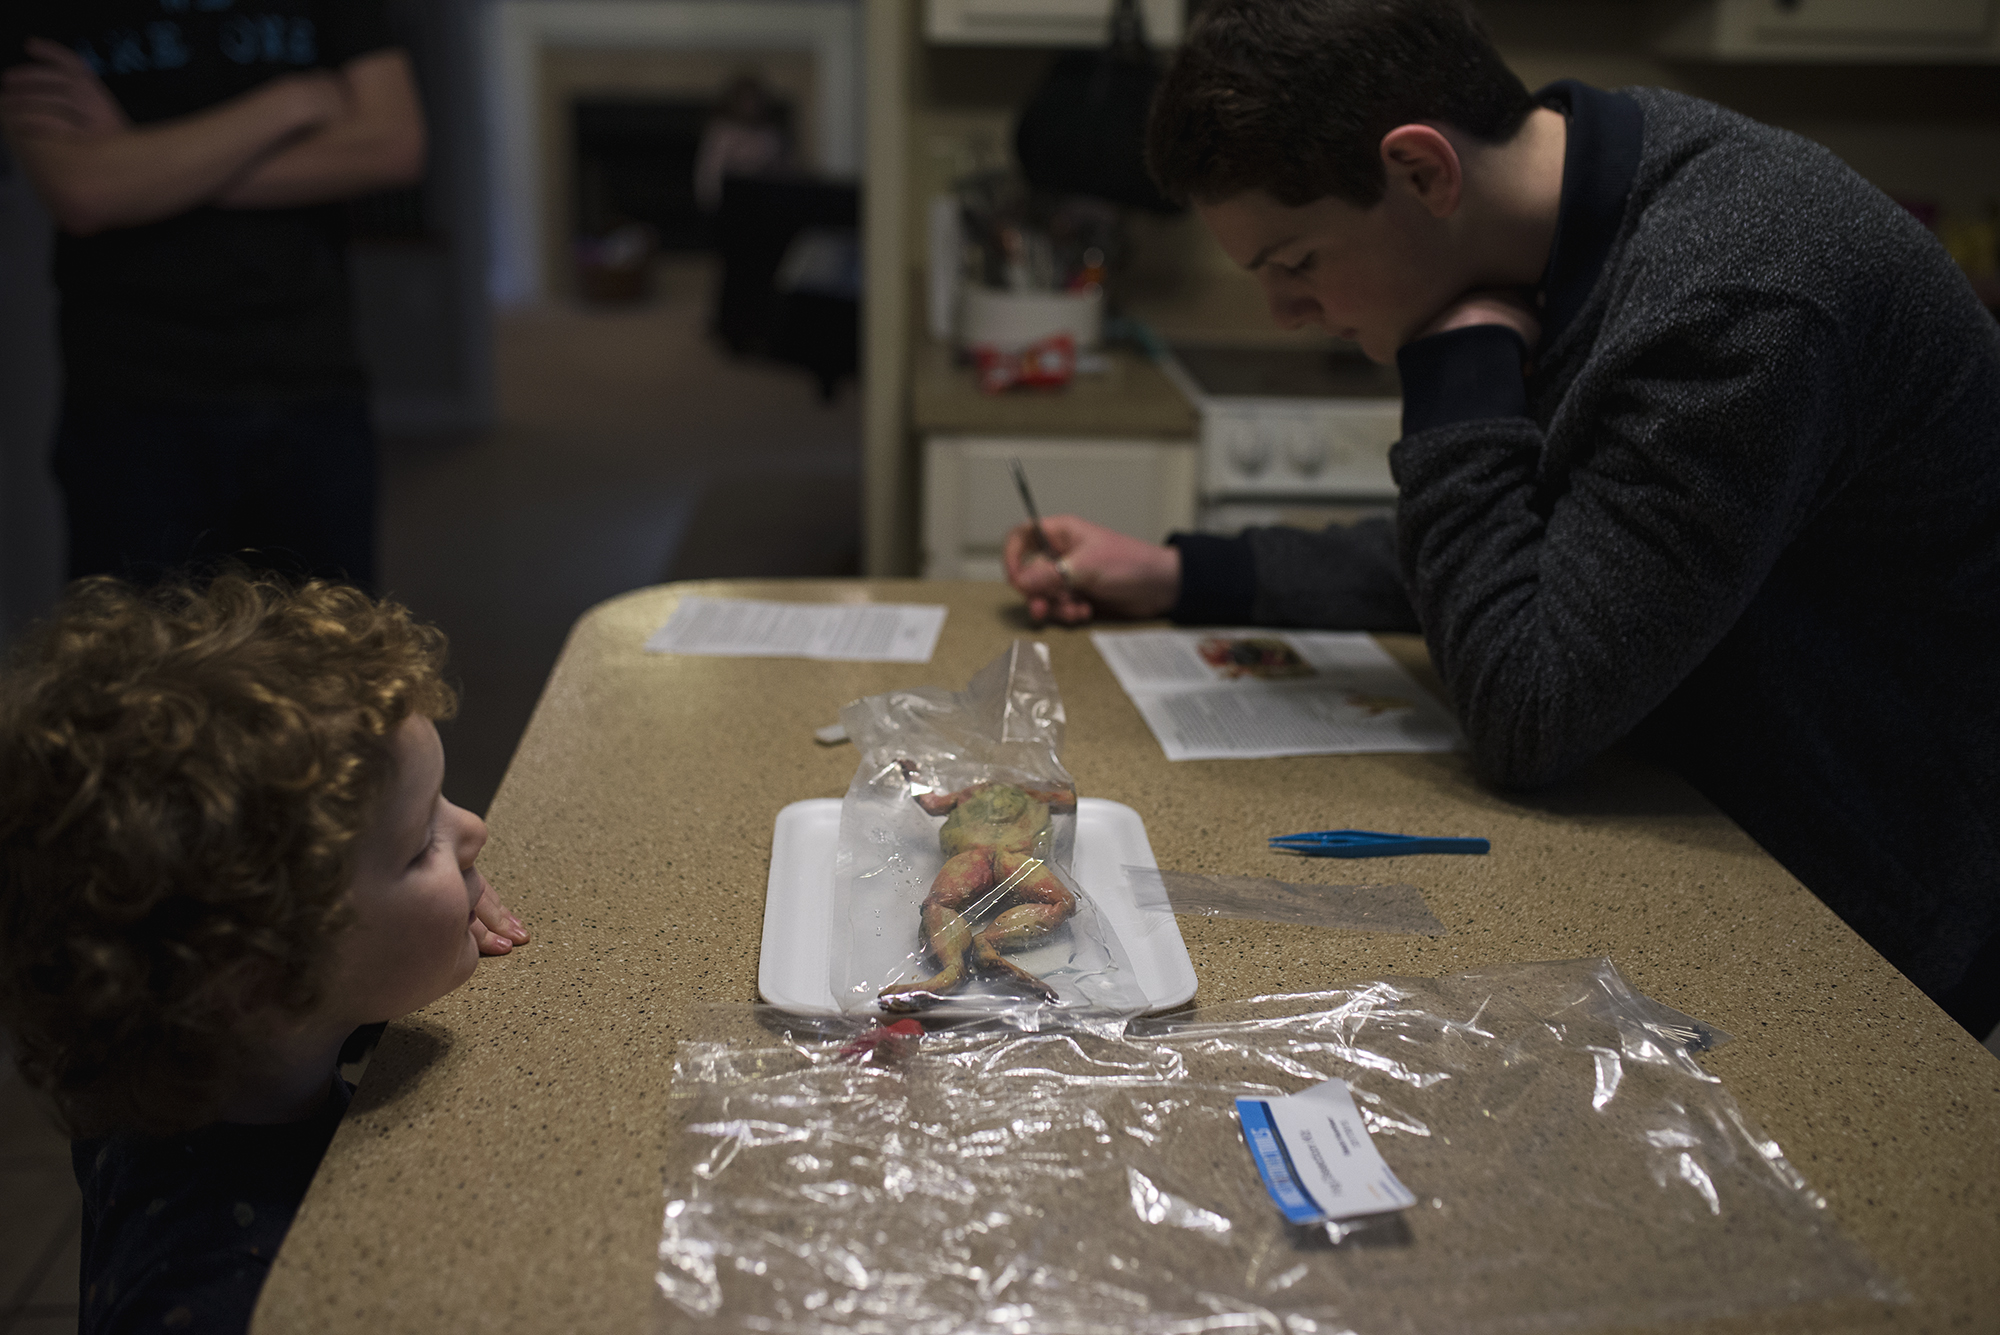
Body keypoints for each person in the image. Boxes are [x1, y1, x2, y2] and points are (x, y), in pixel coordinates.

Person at [1005, 0, 2000, 1038]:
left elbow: (1530, 708)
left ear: (1423, 172)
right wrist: (1182, 574)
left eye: (1294, 263)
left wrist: (1456, 377)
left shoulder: (1734, 299)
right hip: (1703, 811)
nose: (1286, 315)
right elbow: (1543, 564)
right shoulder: (1580, 207)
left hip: (1876, 911)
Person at [0, 571, 529, 1334]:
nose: (475, 827)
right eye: (422, 844)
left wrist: (412, 925)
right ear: (263, 978)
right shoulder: (232, 1290)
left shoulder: (176, 1059)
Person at [0, 2, 426, 590]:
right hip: (130, 395)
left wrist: (143, 160)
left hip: (312, 382)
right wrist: (289, 102)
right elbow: (85, 191)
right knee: (137, 671)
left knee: (327, 665)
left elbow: (394, 145)